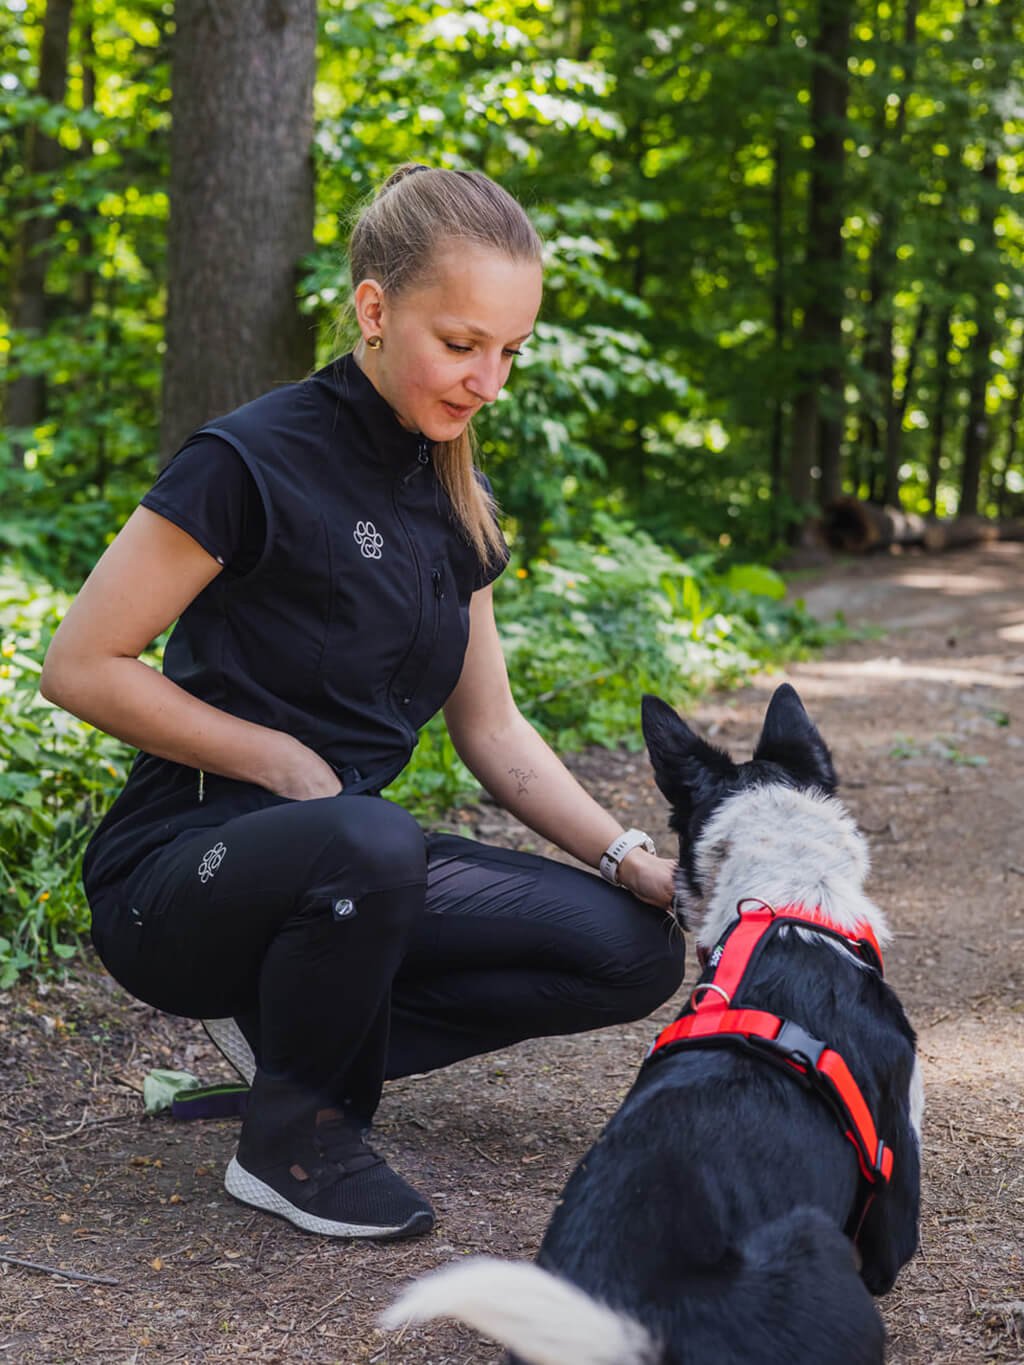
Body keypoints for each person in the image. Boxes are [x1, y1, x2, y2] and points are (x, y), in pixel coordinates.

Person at [40, 165, 685, 1242]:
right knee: (368, 835)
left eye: (510, 351)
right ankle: (297, 1137)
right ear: (374, 311)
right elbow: (82, 663)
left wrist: (631, 858)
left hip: (351, 862)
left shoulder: (457, 500)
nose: (490, 380)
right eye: (463, 343)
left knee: (631, 951)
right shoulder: (247, 458)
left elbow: (492, 729)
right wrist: (280, 764)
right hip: (178, 873)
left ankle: (292, 1037)